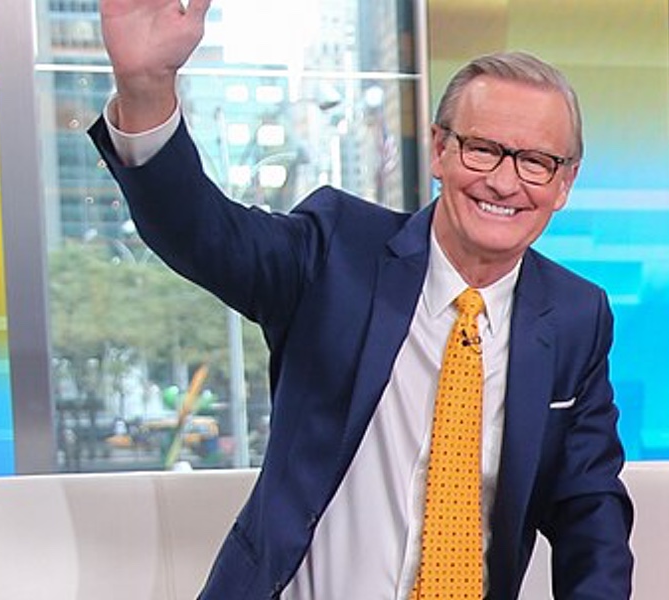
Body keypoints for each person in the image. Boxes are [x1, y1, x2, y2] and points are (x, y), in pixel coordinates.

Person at [89, 1, 634, 598]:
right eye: (482, 148)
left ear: (564, 183)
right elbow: (203, 233)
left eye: (535, 162)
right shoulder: (336, 251)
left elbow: (590, 511)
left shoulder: (576, 315)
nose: (504, 182)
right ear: (440, 150)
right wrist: (146, 89)